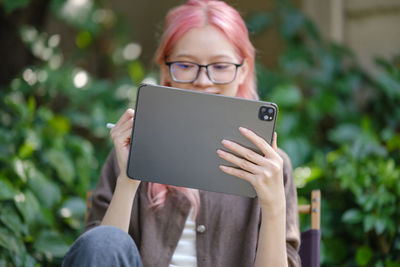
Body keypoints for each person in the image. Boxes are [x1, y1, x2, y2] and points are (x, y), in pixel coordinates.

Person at [62, 0, 301, 266]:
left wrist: (273, 206)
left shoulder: (270, 168)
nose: (203, 80)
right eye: (186, 65)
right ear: (166, 70)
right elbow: (101, 254)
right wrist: (128, 180)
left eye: (220, 66)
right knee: (102, 240)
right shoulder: (131, 149)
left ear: (243, 70)